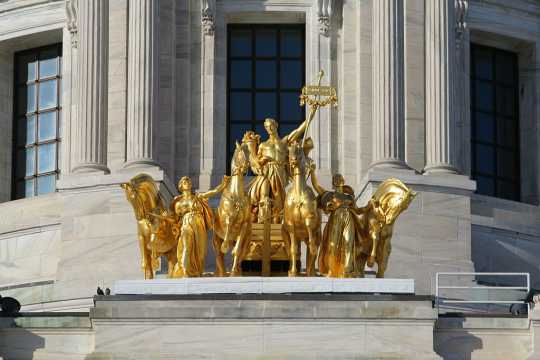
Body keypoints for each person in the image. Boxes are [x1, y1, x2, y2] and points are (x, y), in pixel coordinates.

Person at [243, 117, 310, 223]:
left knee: (278, 199)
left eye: (271, 126)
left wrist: (309, 118)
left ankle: (277, 222)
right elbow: (256, 162)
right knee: (264, 196)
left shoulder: (284, 142)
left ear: (275, 126)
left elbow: (298, 131)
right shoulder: (263, 145)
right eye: (266, 127)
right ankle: (263, 220)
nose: (269, 128)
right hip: (267, 172)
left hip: (280, 172)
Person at [170, 175, 229, 277]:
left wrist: (223, 185)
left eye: (188, 181)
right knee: (187, 247)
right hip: (187, 223)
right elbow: (175, 220)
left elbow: (213, 192)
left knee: (201, 253)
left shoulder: (198, 197)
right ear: (181, 187)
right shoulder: (179, 203)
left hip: (199, 223)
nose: (187, 182)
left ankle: (196, 272)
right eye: (184, 182)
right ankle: (185, 272)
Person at [310, 171, 363, 277]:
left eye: (340, 178)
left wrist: (371, 206)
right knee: (333, 244)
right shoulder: (330, 195)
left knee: (348, 242)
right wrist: (312, 172)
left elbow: (358, 211)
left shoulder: (349, 197)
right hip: (336, 218)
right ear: (333, 183)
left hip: (348, 218)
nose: (338, 180)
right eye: (336, 178)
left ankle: (347, 270)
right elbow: (316, 186)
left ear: (343, 181)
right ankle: (331, 269)